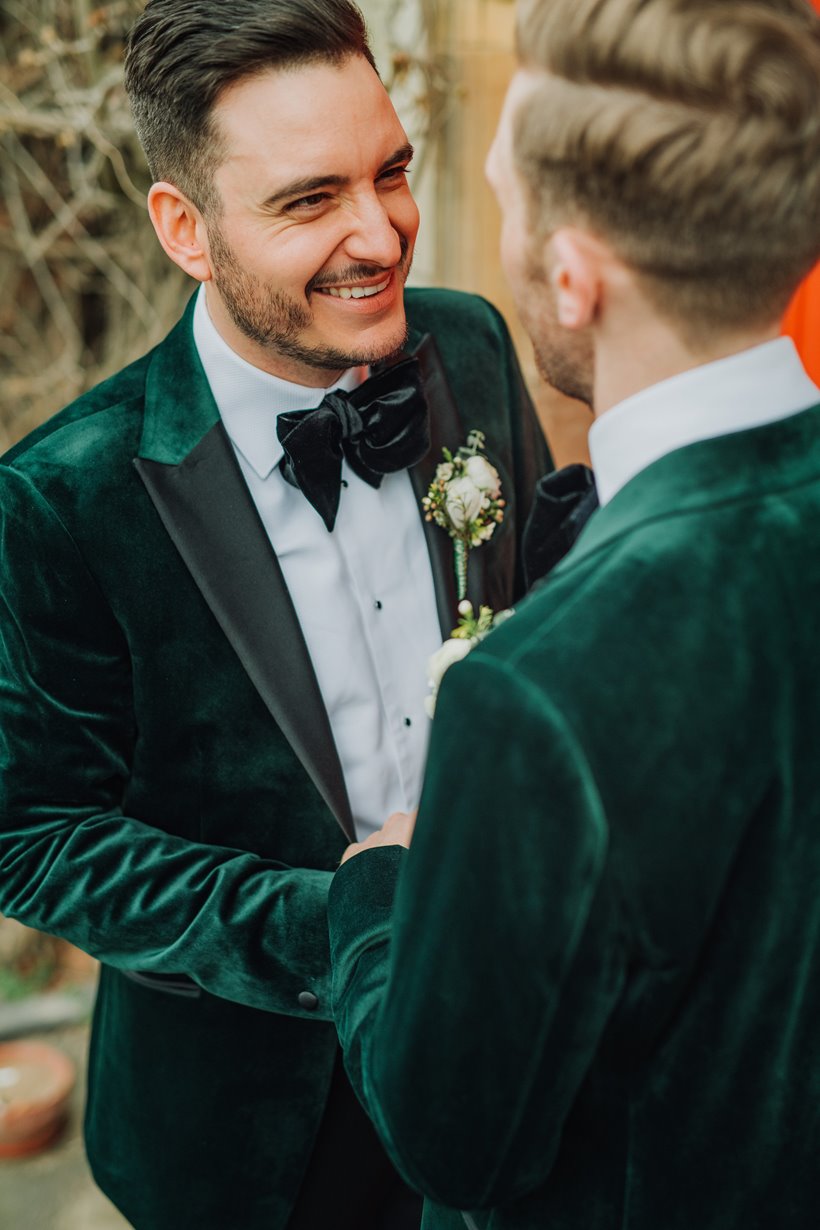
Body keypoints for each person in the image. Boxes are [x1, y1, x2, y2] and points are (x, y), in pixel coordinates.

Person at [0, 2, 548, 1227]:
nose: (380, 233)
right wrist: (341, 924)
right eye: (310, 200)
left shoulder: (469, 345)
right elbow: (33, 836)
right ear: (184, 229)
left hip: (510, 1040)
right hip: (250, 1132)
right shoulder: (60, 497)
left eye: (392, 172)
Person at [328, 0, 820, 1227]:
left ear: (571, 272)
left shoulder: (533, 697)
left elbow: (457, 1145)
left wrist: (381, 885)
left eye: (501, 200)